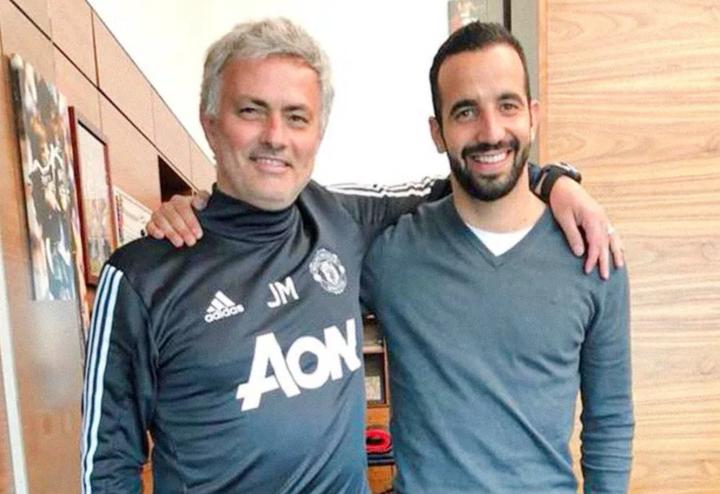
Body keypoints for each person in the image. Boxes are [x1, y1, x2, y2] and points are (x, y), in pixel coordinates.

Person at [82, 18, 622, 494]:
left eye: (297, 117)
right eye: (251, 111)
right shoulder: (144, 276)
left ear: (318, 132)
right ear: (210, 121)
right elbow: (106, 463)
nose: (276, 137)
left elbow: (476, 174)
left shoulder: (343, 222)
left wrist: (556, 181)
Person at [361, 22, 633, 493]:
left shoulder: (592, 253)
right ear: (437, 132)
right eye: (465, 111)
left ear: (532, 116)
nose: (490, 132)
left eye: (507, 105)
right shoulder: (391, 254)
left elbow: (609, 417)